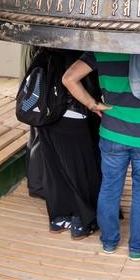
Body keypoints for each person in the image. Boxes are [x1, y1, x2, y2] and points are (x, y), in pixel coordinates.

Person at [63, 53, 140, 260]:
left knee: (109, 187)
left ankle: (109, 242)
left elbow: (68, 78)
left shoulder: (101, 48)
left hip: (112, 133)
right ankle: (139, 248)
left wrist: (92, 104)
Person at [32, 48, 102, 239]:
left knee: (55, 170)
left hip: (45, 117)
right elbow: (89, 86)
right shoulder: (80, 55)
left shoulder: (42, 54)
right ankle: (82, 220)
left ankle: (58, 218)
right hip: (74, 116)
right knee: (82, 170)